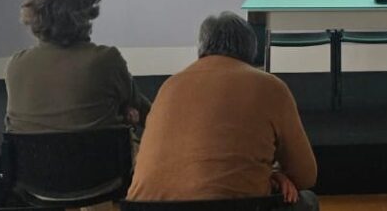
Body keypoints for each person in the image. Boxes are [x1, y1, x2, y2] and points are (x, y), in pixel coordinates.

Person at [127, 12, 318, 210]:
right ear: (252, 49)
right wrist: (272, 175)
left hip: (143, 208)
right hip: (233, 206)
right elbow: (305, 175)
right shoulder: (270, 87)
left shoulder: (168, 86)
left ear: (201, 47)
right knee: (307, 201)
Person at [5, 0, 150, 132]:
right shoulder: (106, 60)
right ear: (87, 13)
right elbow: (149, 115)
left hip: (28, 150)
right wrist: (124, 112)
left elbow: (13, 127)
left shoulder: (16, 65)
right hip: (101, 149)